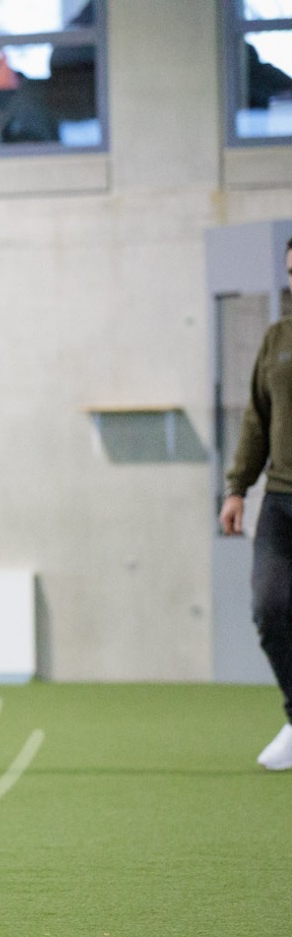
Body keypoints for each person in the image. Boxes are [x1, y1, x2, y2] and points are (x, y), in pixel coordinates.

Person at [219, 238, 292, 771]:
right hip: (282, 501)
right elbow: (256, 418)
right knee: (269, 608)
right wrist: (237, 487)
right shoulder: (276, 339)